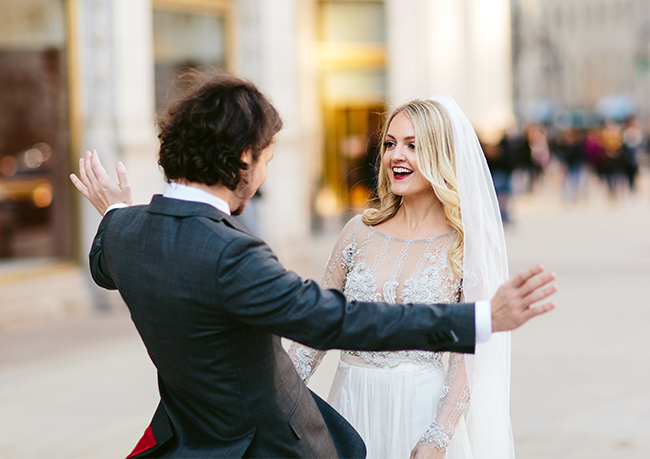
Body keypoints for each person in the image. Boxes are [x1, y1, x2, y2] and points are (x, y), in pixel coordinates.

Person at [70, 72, 557, 458]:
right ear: (243, 158)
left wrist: (118, 212)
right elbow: (333, 321)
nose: (265, 173)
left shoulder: (124, 236)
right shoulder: (236, 253)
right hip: (281, 436)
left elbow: (107, 262)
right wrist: (484, 318)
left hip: (398, 411)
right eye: (266, 158)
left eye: (411, 144)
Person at [289, 96, 524, 459]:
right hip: (351, 405)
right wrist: (280, 397)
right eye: (390, 143)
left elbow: (470, 351)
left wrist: (439, 435)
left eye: (413, 145)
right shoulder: (357, 231)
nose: (396, 156)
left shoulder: (466, 244)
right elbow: (316, 326)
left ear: (441, 155)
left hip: (420, 411)